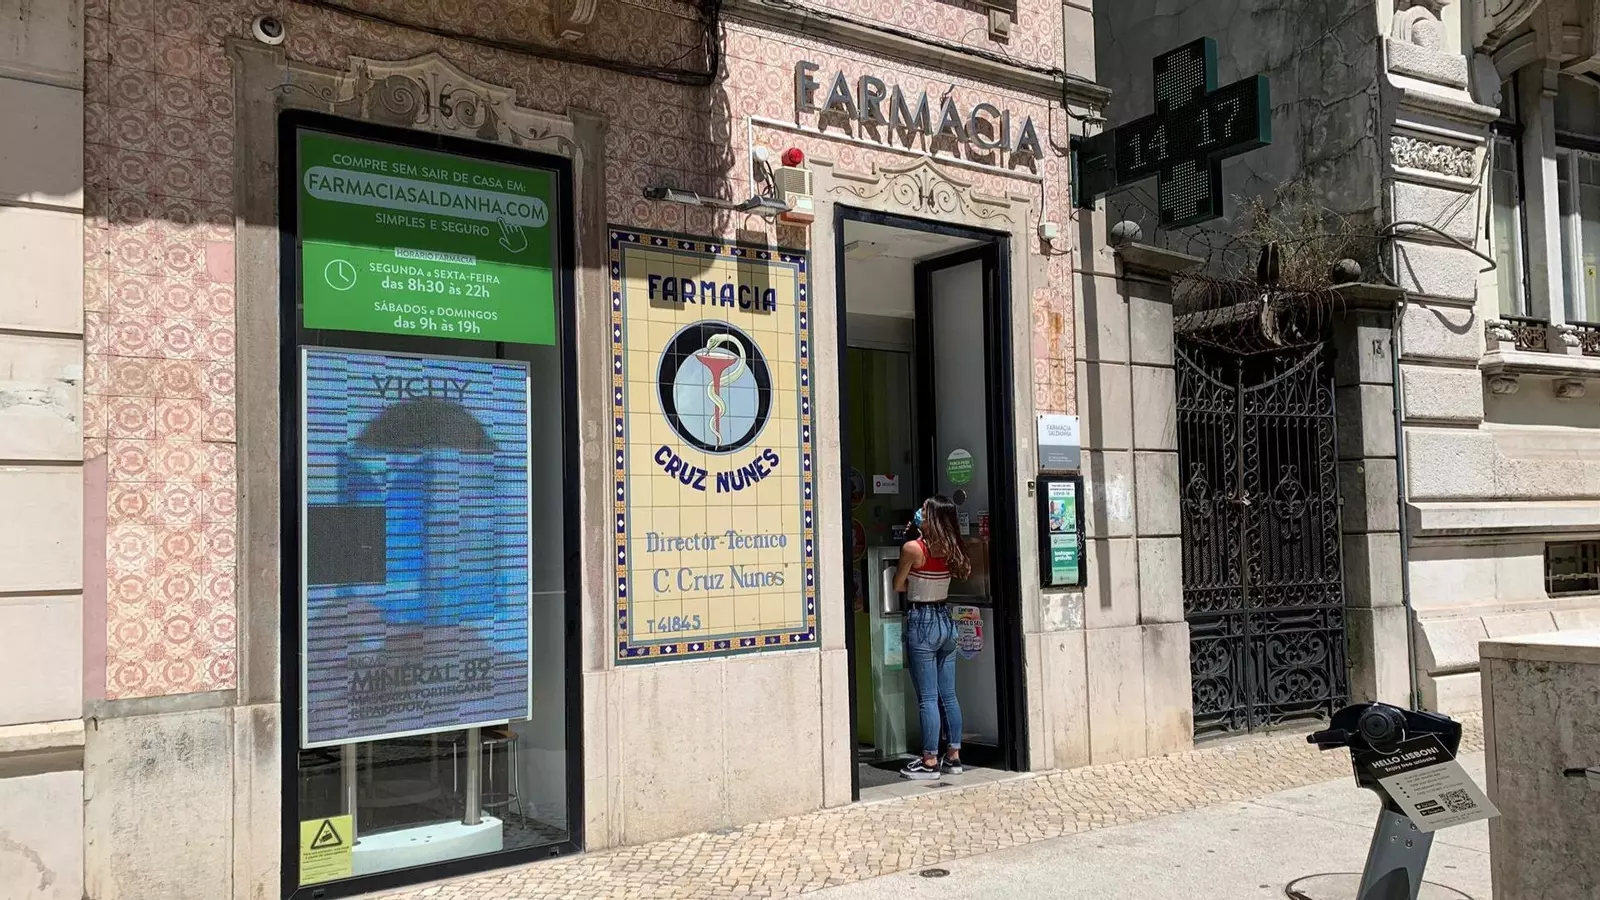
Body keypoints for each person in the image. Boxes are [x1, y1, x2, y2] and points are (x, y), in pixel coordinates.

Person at [893, 494, 972, 780]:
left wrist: (909, 539)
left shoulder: (913, 548)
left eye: (924, 510)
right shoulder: (953, 548)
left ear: (932, 518)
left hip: (922, 620)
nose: (919, 513)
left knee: (927, 697)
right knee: (948, 694)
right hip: (945, 620)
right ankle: (954, 756)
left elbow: (898, 584)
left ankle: (929, 761)